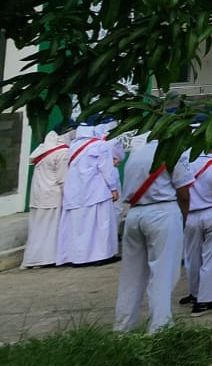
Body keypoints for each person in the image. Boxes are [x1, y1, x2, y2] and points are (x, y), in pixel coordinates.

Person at [113, 136, 193, 332]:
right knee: (163, 274)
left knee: (131, 276)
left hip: (134, 213)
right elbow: (184, 193)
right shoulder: (173, 151)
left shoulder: (136, 153)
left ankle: (123, 327)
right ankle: (160, 326)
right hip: (162, 211)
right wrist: (183, 219)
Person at [181, 126, 212, 316]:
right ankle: (206, 300)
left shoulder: (186, 158)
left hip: (191, 213)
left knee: (192, 258)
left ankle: (194, 293)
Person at [57, 119, 120, 266]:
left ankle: (77, 258)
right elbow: (106, 169)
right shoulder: (100, 145)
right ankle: (102, 255)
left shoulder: (73, 146)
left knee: (77, 226)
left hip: (74, 191)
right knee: (100, 225)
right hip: (95, 190)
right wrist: (113, 188)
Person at [21, 124, 71, 268]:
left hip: (38, 194)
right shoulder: (62, 153)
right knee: (50, 230)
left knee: (37, 229)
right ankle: (44, 259)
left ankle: (31, 259)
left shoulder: (43, 149)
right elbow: (63, 179)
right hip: (52, 195)